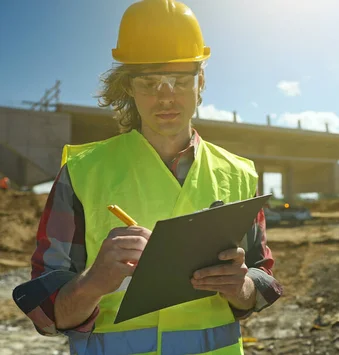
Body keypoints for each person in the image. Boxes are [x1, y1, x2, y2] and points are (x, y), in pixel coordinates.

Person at [12, 0, 283, 354]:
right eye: (149, 81)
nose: (165, 96)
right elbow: (47, 315)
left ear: (200, 82)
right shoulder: (82, 172)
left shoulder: (239, 173)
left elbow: (261, 281)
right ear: (128, 87)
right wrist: (92, 283)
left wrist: (240, 286)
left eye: (180, 80)